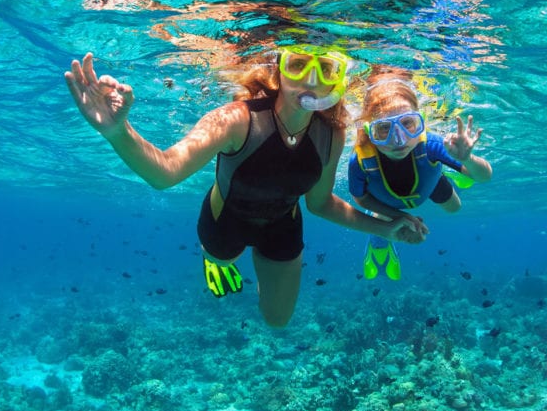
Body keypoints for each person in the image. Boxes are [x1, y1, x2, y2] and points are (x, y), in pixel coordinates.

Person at [64, 47, 424, 327]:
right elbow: (165, 172)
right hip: (226, 220)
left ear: (336, 80)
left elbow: (320, 204)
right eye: (298, 65)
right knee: (222, 258)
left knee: (278, 320)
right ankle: (215, 261)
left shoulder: (332, 133)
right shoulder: (237, 119)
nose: (311, 81)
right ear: (278, 71)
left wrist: (387, 227)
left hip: (283, 224)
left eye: (325, 69)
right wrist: (117, 131)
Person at [348, 70, 492, 281]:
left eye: (407, 124)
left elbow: (485, 176)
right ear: (369, 132)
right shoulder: (360, 161)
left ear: (421, 122)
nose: (398, 140)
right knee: (382, 223)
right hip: (386, 200)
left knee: (455, 208)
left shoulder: (432, 144)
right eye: (384, 129)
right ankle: (379, 245)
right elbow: (360, 198)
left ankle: (454, 169)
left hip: (429, 182)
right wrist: (400, 216)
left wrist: (467, 159)